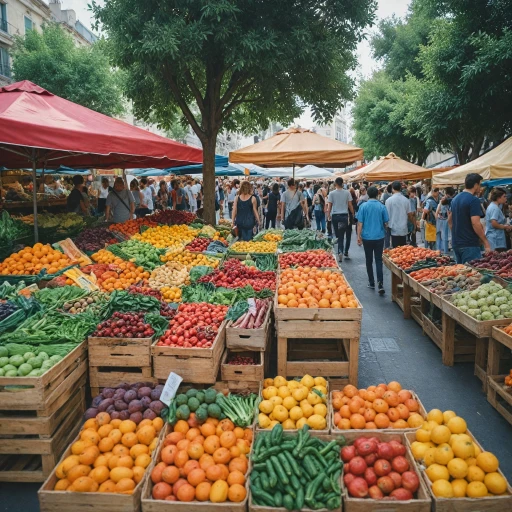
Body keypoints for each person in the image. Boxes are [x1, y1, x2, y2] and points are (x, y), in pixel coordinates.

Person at [450, 173, 490, 263]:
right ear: (475, 185)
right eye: (480, 184)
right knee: (472, 273)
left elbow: (450, 221)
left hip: (456, 243)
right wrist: (485, 241)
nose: (480, 187)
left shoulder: (455, 199)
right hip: (469, 244)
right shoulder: (473, 200)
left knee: (461, 273)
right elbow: (475, 223)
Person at [357, 186, 389, 294]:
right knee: (378, 260)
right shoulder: (382, 206)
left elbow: (360, 223)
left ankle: (371, 282)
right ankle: (380, 284)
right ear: (377, 195)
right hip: (379, 236)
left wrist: (358, 236)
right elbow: (386, 222)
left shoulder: (363, 206)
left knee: (369, 260)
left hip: (367, 237)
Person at [326, 177, 354, 261]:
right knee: (343, 235)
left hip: (335, 216)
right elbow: (350, 205)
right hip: (344, 216)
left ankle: (340, 251)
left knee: (338, 235)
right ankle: (342, 251)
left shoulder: (331, 193)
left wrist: (328, 215)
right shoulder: (347, 193)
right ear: (342, 183)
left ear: (335, 183)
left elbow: (329, 205)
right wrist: (352, 213)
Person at [385, 181, 414, 248]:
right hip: (403, 228)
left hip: (393, 228)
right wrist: (413, 225)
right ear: (400, 188)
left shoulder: (389, 201)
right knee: (403, 250)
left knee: (396, 250)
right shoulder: (406, 200)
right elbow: (410, 214)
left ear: (392, 189)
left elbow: (386, 216)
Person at [435, 187, 454, 254]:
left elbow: (437, 211)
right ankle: (445, 251)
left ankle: (439, 251)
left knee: (440, 236)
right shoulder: (452, 201)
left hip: (441, 220)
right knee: (446, 237)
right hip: (446, 220)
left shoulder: (442, 200)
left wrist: (437, 218)